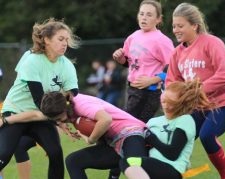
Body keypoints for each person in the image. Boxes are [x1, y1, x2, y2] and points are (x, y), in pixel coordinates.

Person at [0, 91, 150, 179]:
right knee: (73, 161)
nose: (59, 122)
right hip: (113, 143)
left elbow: (106, 119)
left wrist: (91, 139)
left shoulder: (81, 104)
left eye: (59, 119)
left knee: (134, 167)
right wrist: (5, 120)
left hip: (132, 133)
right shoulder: (61, 108)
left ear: (64, 110)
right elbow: (35, 115)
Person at [0, 18, 80, 179]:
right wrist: (59, 118)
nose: (65, 43)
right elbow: (41, 102)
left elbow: (71, 95)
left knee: (55, 153)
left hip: (42, 116)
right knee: (4, 154)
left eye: (67, 39)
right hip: (17, 112)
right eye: (60, 39)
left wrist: (62, 116)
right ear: (46, 40)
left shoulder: (67, 65)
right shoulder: (32, 60)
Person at [166, 3, 225, 179]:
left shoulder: (212, 43)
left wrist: (197, 90)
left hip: (220, 106)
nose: (176, 30)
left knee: (207, 136)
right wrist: (172, 97)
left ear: (194, 25)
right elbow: (172, 82)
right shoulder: (176, 53)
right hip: (194, 109)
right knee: (177, 142)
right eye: (174, 26)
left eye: (180, 26)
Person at [119, 79, 215, 179]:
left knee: (128, 162)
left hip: (172, 169)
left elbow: (172, 154)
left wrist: (152, 138)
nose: (165, 105)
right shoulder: (153, 122)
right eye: (164, 101)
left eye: (170, 103)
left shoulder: (185, 120)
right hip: (152, 167)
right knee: (124, 159)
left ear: (180, 103)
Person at [112, 0, 174, 123]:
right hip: (132, 90)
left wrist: (153, 80)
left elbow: (174, 67)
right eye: (141, 14)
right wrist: (120, 58)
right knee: (132, 129)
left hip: (149, 92)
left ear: (158, 19)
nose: (144, 18)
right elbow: (129, 63)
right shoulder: (133, 36)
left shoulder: (162, 40)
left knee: (130, 126)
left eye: (149, 15)